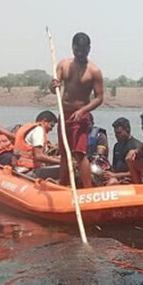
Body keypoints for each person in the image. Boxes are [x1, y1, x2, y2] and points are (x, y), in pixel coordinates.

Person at [50, 32, 104, 188]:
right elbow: (54, 88)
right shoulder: (63, 65)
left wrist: (82, 111)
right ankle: (64, 183)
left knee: (79, 154)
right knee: (64, 152)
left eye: (83, 50)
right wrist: (52, 86)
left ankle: (88, 188)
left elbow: (99, 98)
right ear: (72, 48)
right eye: (77, 50)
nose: (80, 54)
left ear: (89, 49)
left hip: (81, 117)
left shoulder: (94, 71)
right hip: (64, 113)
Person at [12, 110, 61, 175]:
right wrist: (61, 162)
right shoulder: (38, 130)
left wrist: (55, 158)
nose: (51, 129)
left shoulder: (29, 128)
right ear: (44, 121)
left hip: (20, 168)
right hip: (28, 171)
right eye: (51, 125)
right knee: (65, 169)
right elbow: (39, 156)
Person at [103, 117, 143, 186]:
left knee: (112, 182)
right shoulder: (116, 146)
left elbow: (138, 172)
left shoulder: (136, 147)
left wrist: (115, 175)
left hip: (130, 179)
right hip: (117, 177)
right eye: (115, 133)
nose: (116, 136)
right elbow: (115, 167)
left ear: (127, 130)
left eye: (119, 133)